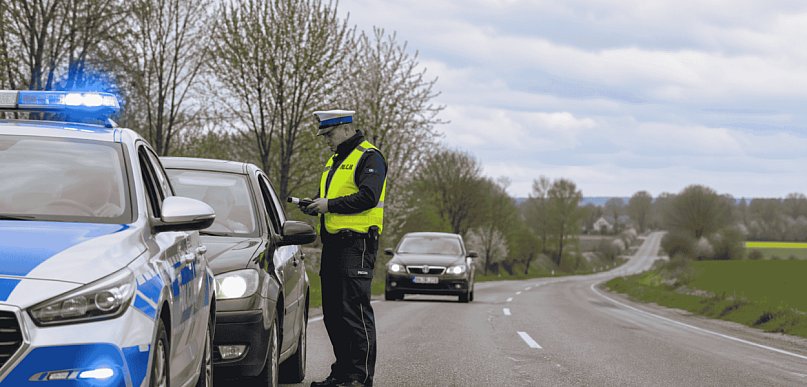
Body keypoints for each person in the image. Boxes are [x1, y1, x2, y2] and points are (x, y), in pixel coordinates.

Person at [303, 109, 387, 387]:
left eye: (329, 134)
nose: (327, 140)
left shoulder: (369, 157)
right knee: (333, 313)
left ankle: (358, 377)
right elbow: (332, 196)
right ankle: (341, 373)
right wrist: (315, 203)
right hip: (333, 244)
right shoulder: (335, 160)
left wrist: (329, 205)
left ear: (346, 129)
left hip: (357, 244)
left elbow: (368, 196)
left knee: (354, 312)